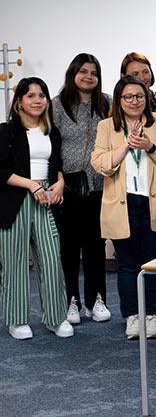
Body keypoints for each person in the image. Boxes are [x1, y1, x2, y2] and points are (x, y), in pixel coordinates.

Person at [91, 76, 156, 340]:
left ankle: (152, 315)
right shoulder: (106, 126)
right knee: (127, 265)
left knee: (154, 263)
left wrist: (147, 146)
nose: (134, 101)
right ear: (119, 100)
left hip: (152, 200)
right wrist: (127, 144)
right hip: (122, 202)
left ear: (147, 98)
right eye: (128, 97)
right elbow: (100, 163)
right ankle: (132, 317)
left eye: (139, 96)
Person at [0, 77, 73, 340]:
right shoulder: (6, 131)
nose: (37, 100)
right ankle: (17, 319)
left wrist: (61, 183)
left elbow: (57, 164)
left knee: (52, 259)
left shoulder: (52, 132)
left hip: (46, 200)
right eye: (30, 95)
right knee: (15, 263)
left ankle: (56, 317)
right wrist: (33, 186)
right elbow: (1, 171)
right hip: (15, 202)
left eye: (42, 95)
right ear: (19, 101)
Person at [51, 53, 111, 325]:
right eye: (83, 71)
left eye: (93, 72)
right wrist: (58, 177)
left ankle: (96, 300)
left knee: (96, 246)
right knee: (69, 247)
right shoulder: (58, 105)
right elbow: (52, 146)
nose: (89, 76)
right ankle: (70, 300)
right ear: (73, 73)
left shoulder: (106, 103)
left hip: (100, 185)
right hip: (68, 186)